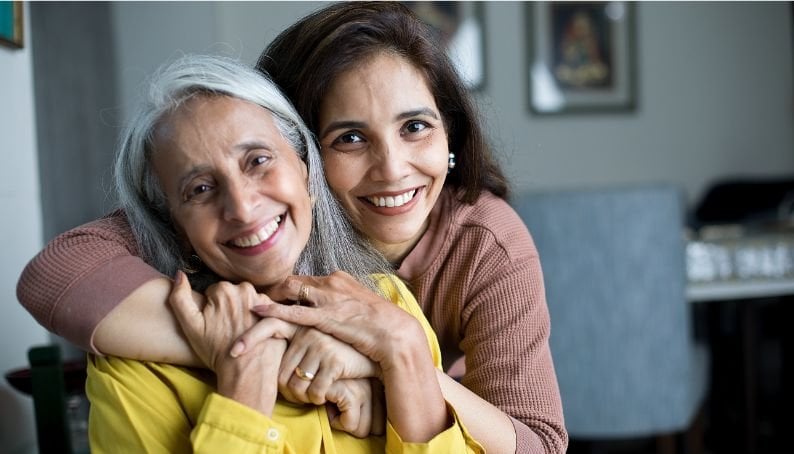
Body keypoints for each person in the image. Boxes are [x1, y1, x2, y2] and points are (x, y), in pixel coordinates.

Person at [18, 2, 566, 452]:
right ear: (306, 151)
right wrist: (265, 347)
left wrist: (401, 365)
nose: (393, 168)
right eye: (349, 138)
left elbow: (538, 443)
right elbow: (58, 272)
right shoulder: (233, 219)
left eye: (416, 127)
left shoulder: (439, 276)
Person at [83, 53, 482, 452]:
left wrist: (405, 351)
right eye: (200, 189)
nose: (241, 206)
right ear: (178, 229)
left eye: (258, 161)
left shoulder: (391, 308)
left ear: (307, 171)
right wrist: (246, 383)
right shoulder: (131, 372)